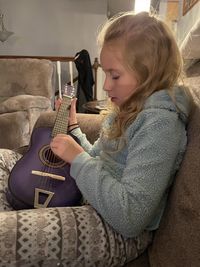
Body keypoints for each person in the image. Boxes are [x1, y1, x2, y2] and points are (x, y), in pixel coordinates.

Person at [0, 11, 191, 266]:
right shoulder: (126, 111)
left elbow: (131, 216)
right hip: (92, 202)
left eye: (115, 75)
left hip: (120, 232)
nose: (105, 86)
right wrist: (75, 129)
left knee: (8, 236)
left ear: (149, 75)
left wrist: (76, 158)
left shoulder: (161, 125)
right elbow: (98, 159)